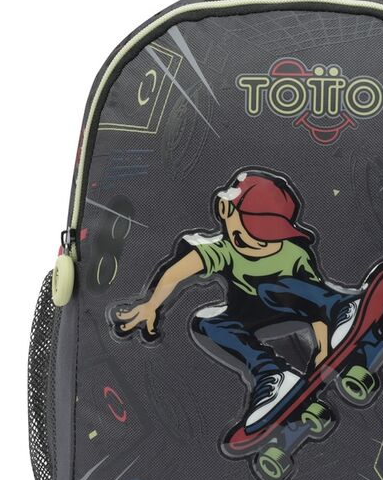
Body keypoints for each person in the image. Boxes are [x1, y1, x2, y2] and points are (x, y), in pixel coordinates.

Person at [115, 169, 365, 433]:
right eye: (252, 232)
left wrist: (325, 348)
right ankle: (273, 375)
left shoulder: (294, 253)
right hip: (248, 313)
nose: (259, 243)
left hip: (290, 304)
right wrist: (152, 304)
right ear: (225, 210)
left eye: (269, 236)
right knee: (206, 322)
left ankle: (342, 307)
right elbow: (179, 271)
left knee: (277, 287)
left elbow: (315, 303)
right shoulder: (224, 250)